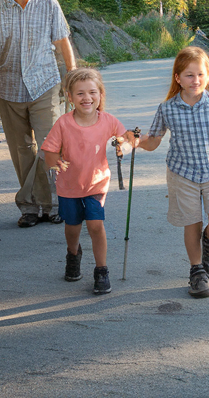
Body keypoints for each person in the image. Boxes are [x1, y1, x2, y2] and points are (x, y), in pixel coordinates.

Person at [140, 47, 209, 298]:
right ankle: (197, 271)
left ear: (208, 75)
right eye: (189, 75)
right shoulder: (167, 108)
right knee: (192, 223)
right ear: (178, 77)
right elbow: (153, 141)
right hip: (182, 173)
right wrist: (134, 141)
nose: (196, 80)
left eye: (201, 74)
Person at [0, 0, 77, 227]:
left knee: (51, 147)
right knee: (22, 150)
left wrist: (73, 80)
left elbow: (63, 44)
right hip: (9, 89)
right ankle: (32, 209)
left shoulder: (49, 5)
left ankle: (53, 204)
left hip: (45, 85)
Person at [42, 68, 132, 295]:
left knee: (95, 224)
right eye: (80, 93)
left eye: (92, 92)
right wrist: (56, 162)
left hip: (96, 183)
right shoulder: (63, 124)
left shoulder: (108, 120)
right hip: (69, 185)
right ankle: (73, 254)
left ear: (100, 95)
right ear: (70, 97)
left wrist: (125, 146)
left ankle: (101, 270)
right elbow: (49, 154)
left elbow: (125, 138)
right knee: (72, 227)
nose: (87, 98)